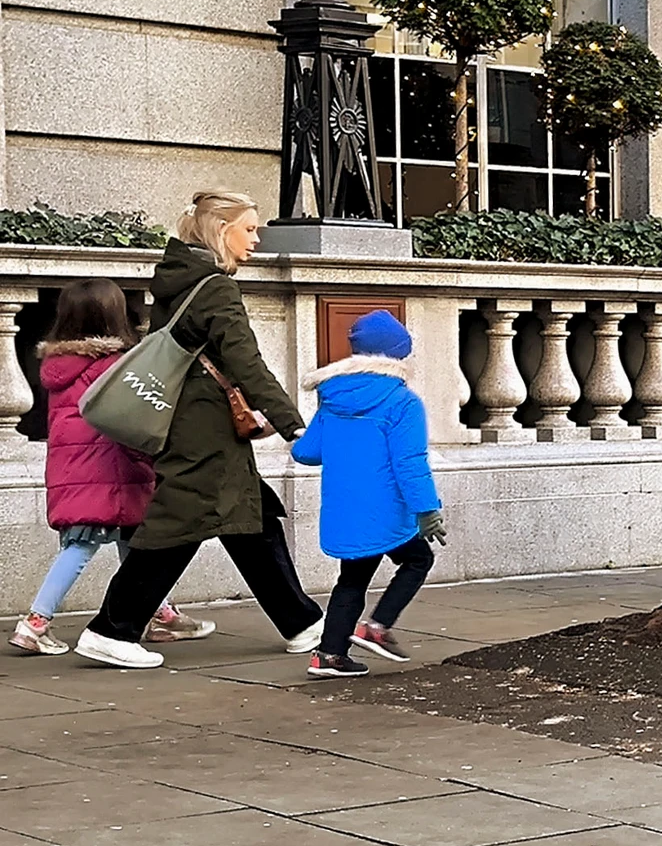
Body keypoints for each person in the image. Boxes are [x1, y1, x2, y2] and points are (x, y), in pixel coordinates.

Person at [74, 191, 324, 669]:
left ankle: (300, 622)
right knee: (178, 525)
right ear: (219, 229)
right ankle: (112, 630)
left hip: (199, 424)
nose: (256, 239)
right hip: (202, 430)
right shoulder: (214, 288)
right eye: (248, 229)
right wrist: (294, 426)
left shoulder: (180, 280)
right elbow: (246, 363)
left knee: (251, 518)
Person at [10, 280, 213, 654]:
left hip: (77, 470)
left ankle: (158, 613)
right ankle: (35, 623)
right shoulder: (115, 364)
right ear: (116, 316)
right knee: (81, 547)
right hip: (109, 469)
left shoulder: (58, 365)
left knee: (134, 542)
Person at [292, 310, 446, 678]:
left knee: (352, 579)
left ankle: (329, 655)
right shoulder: (403, 402)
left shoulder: (333, 397)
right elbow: (410, 463)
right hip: (389, 511)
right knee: (417, 560)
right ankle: (376, 627)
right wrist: (427, 510)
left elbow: (306, 453)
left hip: (346, 508)